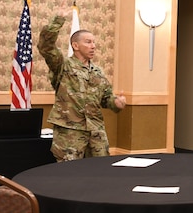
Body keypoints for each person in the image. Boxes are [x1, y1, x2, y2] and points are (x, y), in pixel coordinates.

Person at [37, 9, 126, 161]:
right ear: (75, 45)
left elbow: (106, 98)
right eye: (88, 42)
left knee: (101, 170)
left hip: (95, 130)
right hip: (70, 131)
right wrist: (58, 20)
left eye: (94, 42)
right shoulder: (62, 66)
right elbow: (46, 46)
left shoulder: (97, 71)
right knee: (69, 174)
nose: (93, 46)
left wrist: (116, 103)